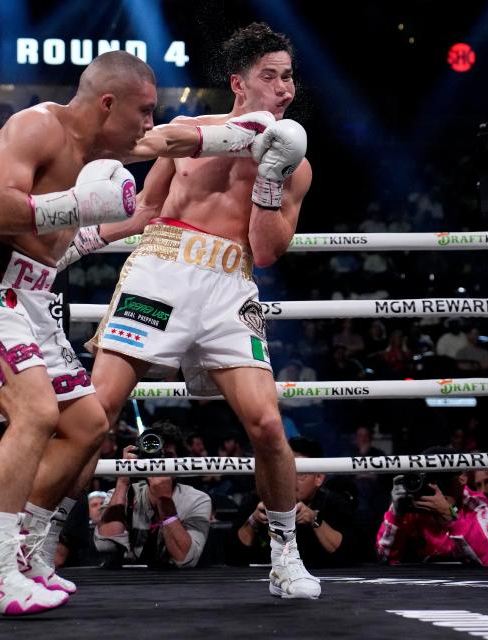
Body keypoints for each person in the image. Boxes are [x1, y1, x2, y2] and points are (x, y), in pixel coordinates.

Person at [0, 50, 276, 615]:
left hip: (33, 296)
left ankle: (27, 555)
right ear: (107, 103)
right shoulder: (36, 125)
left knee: (88, 423)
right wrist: (77, 206)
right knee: (37, 413)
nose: (147, 122)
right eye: (142, 111)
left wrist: (247, 132)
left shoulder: (106, 147)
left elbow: (166, 142)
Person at [80, 22, 317, 598]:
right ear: (239, 83)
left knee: (265, 422)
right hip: (162, 264)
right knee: (96, 413)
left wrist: (267, 178)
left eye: (289, 77)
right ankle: (33, 541)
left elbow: (264, 251)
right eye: (271, 76)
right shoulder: (192, 131)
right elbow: (146, 206)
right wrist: (76, 240)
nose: (284, 89)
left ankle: (284, 554)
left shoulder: (296, 164)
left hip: (229, 280)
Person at [94, 422, 212, 568]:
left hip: (176, 585)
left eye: (167, 457)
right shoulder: (118, 494)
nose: (159, 464)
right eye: (154, 456)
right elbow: (105, 547)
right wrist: (123, 480)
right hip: (123, 583)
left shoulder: (197, 500)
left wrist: (164, 501)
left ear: (180, 460)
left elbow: (186, 559)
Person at [232, 437, 357, 567]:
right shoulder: (258, 501)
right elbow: (232, 557)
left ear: (318, 478)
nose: (290, 480)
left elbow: (350, 555)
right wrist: (254, 521)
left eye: (300, 473)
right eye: (285, 472)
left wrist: (315, 520)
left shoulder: (334, 504)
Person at [376, 447, 488, 566]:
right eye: (429, 479)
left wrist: (451, 516)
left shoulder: (475, 504)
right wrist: (396, 516)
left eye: (441, 479)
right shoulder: (411, 500)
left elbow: (485, 558)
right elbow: (384, 557)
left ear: (462, 477)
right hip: (421, 579)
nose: (435, 486)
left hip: (468, 578)